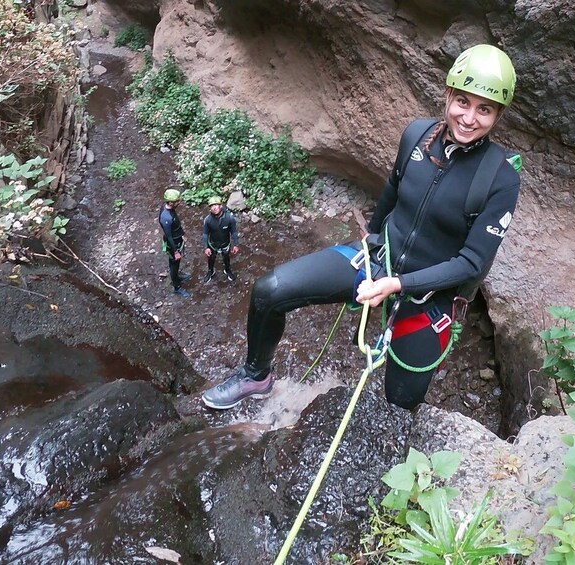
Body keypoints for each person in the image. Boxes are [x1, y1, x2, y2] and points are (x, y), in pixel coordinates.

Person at [201, 44, 521, 411]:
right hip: (378, 258)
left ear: (498, 115)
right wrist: (370, 238)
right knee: (269, 291)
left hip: (429, 297)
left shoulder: (500, 178)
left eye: (485, 109)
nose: (469, 117)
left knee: (399, 403)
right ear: (448, 95)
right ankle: (256, 376)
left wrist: (399, 284)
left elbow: (471, 263)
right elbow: (393, 190)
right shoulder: (418, 135)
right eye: (463, 102)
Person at [159, 188, 190, 298]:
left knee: (176, 263)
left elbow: (175, 226)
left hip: (177, 238)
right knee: (174, 264)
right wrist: (176, 251)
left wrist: (182, 234)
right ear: (171, 203)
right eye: (177, 201)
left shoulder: (167, 207)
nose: (179, 203)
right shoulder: (166, 218)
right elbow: (169, 236)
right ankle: (177, 287)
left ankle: (177, 276)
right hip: (173, 244)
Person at [202, 195, 240, 283]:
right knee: (211, 258)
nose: (214, 208)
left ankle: (227, 269)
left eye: (216, 205)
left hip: (225, 243)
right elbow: (205, 234)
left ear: (221, 206)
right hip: (213, 244)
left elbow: (233, 231)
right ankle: (210, 271)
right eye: (212, 206)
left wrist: (236, 244)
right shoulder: (208, 220)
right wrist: (206, 247)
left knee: (226, 257)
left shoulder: (229, 218)